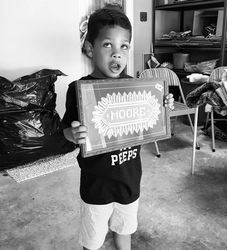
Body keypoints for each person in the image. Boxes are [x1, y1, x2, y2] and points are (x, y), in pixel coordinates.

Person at [62, 6, 174, 250]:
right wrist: (72, 134)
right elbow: (65, 131)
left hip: (130, 180)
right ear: (90, 49)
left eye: (124, 46)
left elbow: (150, 122)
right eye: (107, 45)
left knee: (125, 231)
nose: (117, 54)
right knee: (93, 240)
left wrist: (163, 106)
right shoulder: (78, 90)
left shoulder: (137, 88)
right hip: (97, 185)